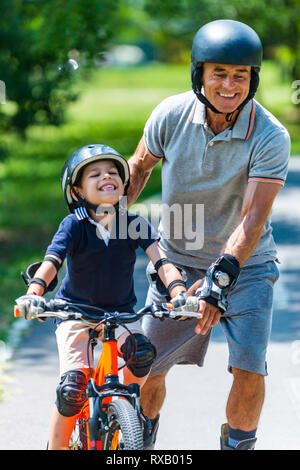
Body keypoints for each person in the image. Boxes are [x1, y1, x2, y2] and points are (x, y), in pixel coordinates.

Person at [127, 19, 291, 450]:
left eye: (241, 75)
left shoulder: (270, 135)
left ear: (253, 79)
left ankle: (238, 444)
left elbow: (253, 218)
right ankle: (138, 442)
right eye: (219, 72)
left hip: (247, 266)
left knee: (250, 368)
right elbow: (139, 166)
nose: (230, 84)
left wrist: (222, 279)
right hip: (176, 264)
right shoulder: (171, 114)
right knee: (146, 368)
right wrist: (104, 217)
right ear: (199, 73)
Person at [16, 144, 188, 450]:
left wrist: (179, 293)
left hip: (120, 314)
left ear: (123, 185)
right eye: (94, 174)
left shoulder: (134, 223)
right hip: (75, 315)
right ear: (78, 191)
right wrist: (34, 294)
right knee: (73, 389)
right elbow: (51, 262)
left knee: (142, 353)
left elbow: (162, 262)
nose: (106, 176)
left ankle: (125, 408)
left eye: (113, 172)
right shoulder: (74, 226)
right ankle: (55, 445)